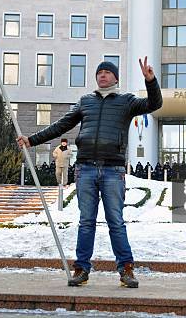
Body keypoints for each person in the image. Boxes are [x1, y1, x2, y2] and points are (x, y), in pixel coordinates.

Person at [17, 56, 162, 288]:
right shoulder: (85, 101)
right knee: (86, 221)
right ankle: (82, 269)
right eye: (99, 72)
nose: (102, 75)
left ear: (115, 77)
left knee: (116, 221)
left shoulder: (127, 101)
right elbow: (61, 125)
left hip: (113, 170)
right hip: (85, 169)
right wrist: (32, 140)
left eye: (106, 72)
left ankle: (126, 269)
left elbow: (154, 105)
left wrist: (150, 81)